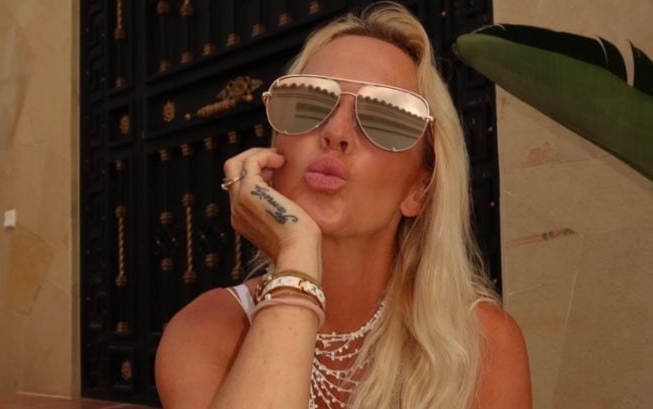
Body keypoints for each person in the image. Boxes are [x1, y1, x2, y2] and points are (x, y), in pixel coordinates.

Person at [155, 3, 531, 408]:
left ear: (419, 190)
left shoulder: (483, 347)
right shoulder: (207, 331)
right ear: (275, 153)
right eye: (308, 101)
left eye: (386, 115)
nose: (335, 132)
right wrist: (296, 257)